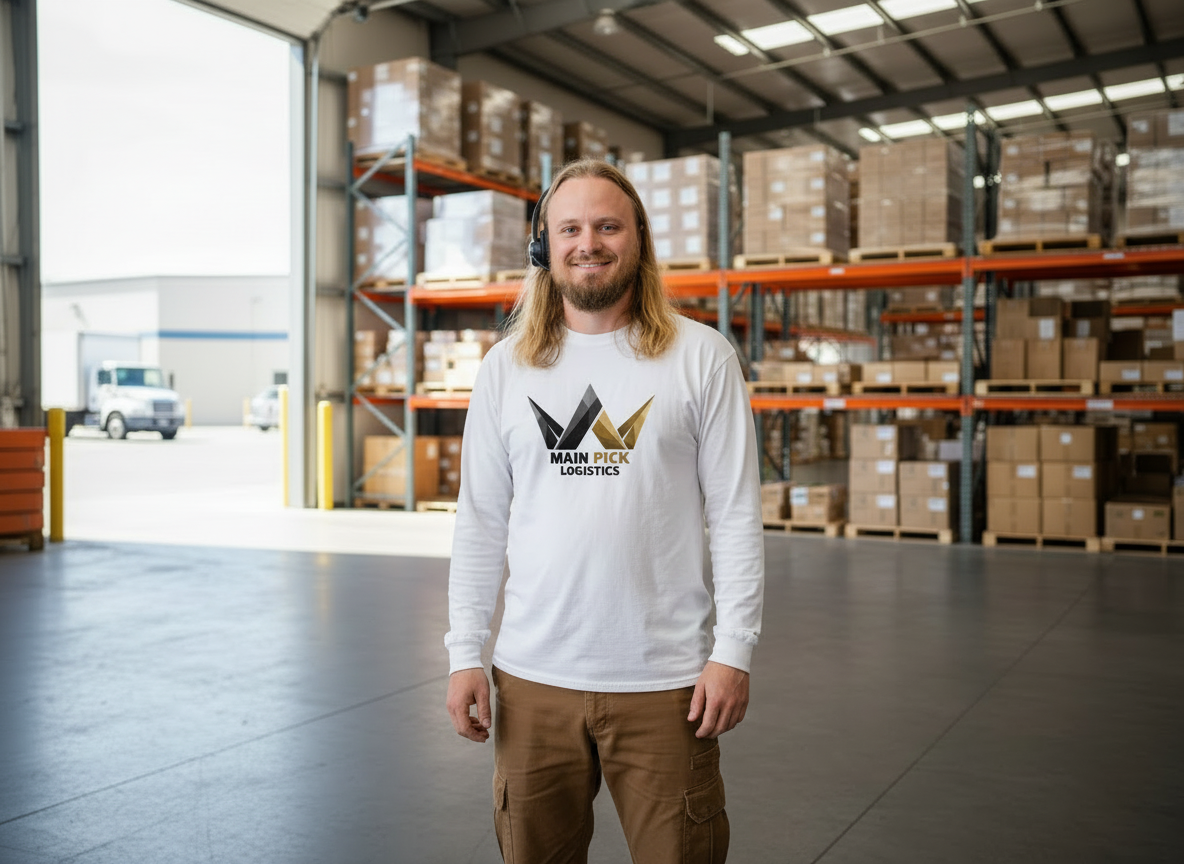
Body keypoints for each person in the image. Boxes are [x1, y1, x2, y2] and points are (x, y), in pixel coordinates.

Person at [444, 158, 765, 864]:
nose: (588, 243)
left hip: (667, 685)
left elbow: (736, 513)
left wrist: (733, 651)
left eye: (607, 226)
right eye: (570, 229)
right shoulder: (505, 369)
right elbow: (479, 521)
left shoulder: (702, 357)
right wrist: (464, 651)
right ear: (544, 247)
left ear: (639, 241)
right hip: (532, 684)